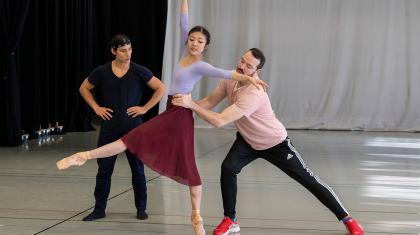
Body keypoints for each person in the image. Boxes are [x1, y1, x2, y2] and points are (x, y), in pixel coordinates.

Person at [56, 1, 264, 234]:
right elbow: (183, 22)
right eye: (192, 39)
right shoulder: (186, 50)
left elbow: (225, 73)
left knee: (150, 148)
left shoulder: (200, 65)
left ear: (206, 46)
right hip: (172, 110)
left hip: (181, 114)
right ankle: (84, 156)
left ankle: (196, 217)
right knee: (143, 145)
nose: (195, 43)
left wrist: (250, 79)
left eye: (200, 41)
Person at [171, 48, 364, 235]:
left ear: (257, 71)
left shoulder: (255, 94)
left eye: (248, 66)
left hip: (274, 142)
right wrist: (184, 105)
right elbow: (209, 102)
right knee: (228, 168)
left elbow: (219, 120)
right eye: (242, 61)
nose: (242, 66)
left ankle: (347, 219)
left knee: (307, 179)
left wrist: (191, 105)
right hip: (247, 140)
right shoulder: (230, 80)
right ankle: (231, 219)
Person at [77, 34, 166, 221]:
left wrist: (145, 108)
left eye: (130, 49)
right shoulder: (102, 71)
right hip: (110, 128)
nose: (128, 54)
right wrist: (96, 107)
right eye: (123, 50)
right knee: (104, 170)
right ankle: (99, 209)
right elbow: (84, 88)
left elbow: (160, 88)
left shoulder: (139, 71)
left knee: (138, 170)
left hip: (134, 129)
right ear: (113, 51)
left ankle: (141, 208)